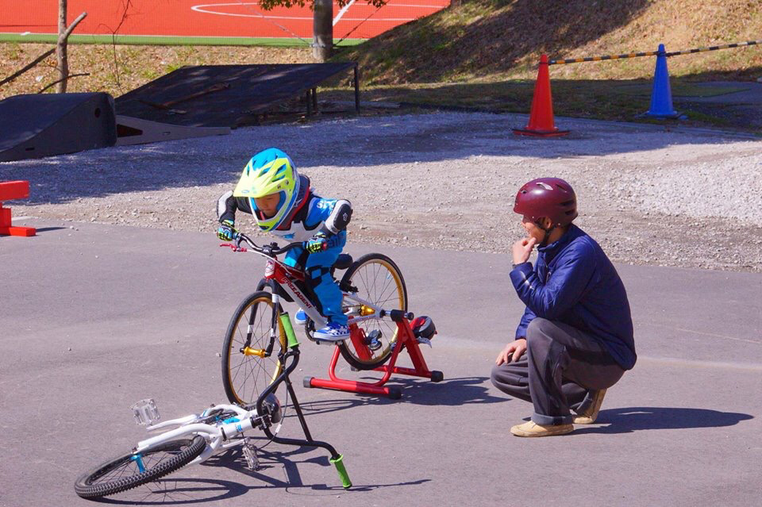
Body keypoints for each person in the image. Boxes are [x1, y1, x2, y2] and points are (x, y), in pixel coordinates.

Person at [491, 177, 636, 437]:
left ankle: (553, 418)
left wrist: (521, 268)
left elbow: (547, 306)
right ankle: (584, 397)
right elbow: (540, 301)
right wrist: (523, 338)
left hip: (607, 357)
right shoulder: (552, 246)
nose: (522, 224)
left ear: (547, 222)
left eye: (527, 218)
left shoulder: (579, 253)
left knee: (541, 330)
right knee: (503, 373)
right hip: (582, 347)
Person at [216, 147, 353, 341]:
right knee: (287, 276)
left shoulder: (311, 208)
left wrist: (324, 235)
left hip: (328, 239)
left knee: (315, 272)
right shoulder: (258, 202)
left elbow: (343, 207)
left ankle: (338, 322)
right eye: (257, 199)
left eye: (269, 198)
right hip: (299, 242)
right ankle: (314, 305)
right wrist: (226, 222)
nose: (263, 205)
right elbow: (227, 198)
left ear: (287, 191)